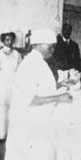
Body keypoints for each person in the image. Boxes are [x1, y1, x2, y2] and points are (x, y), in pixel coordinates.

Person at [5, 29, 73, 160]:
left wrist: (59, 85)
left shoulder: (40, 62)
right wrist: (58, 97)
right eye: (50, 46)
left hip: (39, 121)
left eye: (54, 46)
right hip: (29, 124)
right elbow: (29, 99)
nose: (52, 50)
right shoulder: (30, 64)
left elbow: (41, 88)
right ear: (38, 44)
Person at [0, 27, 22, 160]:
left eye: (11, 39)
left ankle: (10, 137)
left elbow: (19, 71)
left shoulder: (17, 54)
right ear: (3, 40)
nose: (9, 41)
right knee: (1, 113)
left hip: (13, 87)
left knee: (12, 111)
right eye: (6, 39)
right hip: (2, 86)